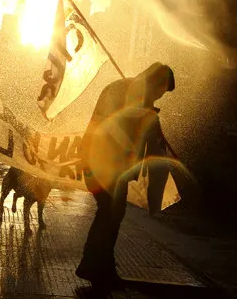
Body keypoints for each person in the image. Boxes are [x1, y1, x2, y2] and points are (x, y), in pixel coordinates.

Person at [75, 62, 175, 287]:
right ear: (154, 81)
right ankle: (93, 267)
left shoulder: (142, 100)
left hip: (114, 167)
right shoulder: (121, 90)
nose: (159, 96)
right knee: (109, 211)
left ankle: (101, 266)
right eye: (160, 90)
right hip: (98, 160)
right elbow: (109, 125)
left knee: (113, 212)